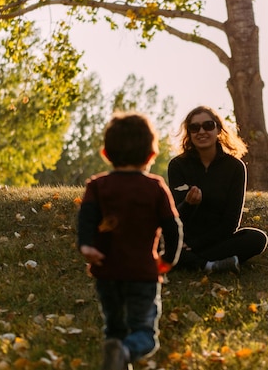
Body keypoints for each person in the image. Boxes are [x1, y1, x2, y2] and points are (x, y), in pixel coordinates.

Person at [77, 111, 183, 370]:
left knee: (114, 328)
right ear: (151, 155)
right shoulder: (155, 187)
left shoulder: (97, 185)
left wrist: (86, 246)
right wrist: (167, 260)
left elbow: (86, 220)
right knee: (145, 335)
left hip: (107, 272)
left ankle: (117, 351)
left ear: (106, 153)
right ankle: (125, 351)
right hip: (143, 274)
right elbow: (173, 228)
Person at [167, 105, 268, 274]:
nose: (201, 131)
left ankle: (193, 262)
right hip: (185, 235)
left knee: (257, 238)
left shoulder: (235, 167)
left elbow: (231, 223)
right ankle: (210, 265)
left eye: (208, 125)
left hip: (217, 238)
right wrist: (188, 204)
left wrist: (193, 246)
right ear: (189, 134)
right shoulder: (177, 165)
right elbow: (176, 218)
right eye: (194, 128)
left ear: (218, 129)